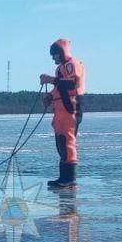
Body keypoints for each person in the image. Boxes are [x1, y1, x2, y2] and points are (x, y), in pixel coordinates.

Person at [39, 39, 86, 188]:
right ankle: (63, 177)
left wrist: (49, 79)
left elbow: (72, 83)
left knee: (67, 142)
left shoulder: (73, 65)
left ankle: (69, 179)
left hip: (70, 108)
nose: (53, 58)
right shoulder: (61, 68)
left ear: (61, 53)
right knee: (61, 142)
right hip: (60, 110)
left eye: (54, 55)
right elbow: (60, 87)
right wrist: (50, 97)